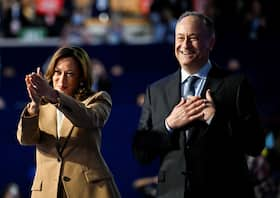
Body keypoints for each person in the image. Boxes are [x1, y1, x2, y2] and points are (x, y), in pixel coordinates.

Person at [132, 11, 265, 198]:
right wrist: (169, 124)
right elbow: (141, 153)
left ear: (211, 42)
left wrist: (215, 119)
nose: (185, 45)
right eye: (180, 37)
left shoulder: (236, 85)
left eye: (193, 38)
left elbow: (255, 144)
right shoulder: (156, 91)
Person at [16, 46, 121, 198]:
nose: (62, 79)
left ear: (81, 78)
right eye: (58, 72)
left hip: (89, 190)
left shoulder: (97, 99)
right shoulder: (40, 105)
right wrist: (34, 105)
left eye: (70, 74)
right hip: (47, 191)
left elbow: (89, 119)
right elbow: (25, 140)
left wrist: (54, 96)